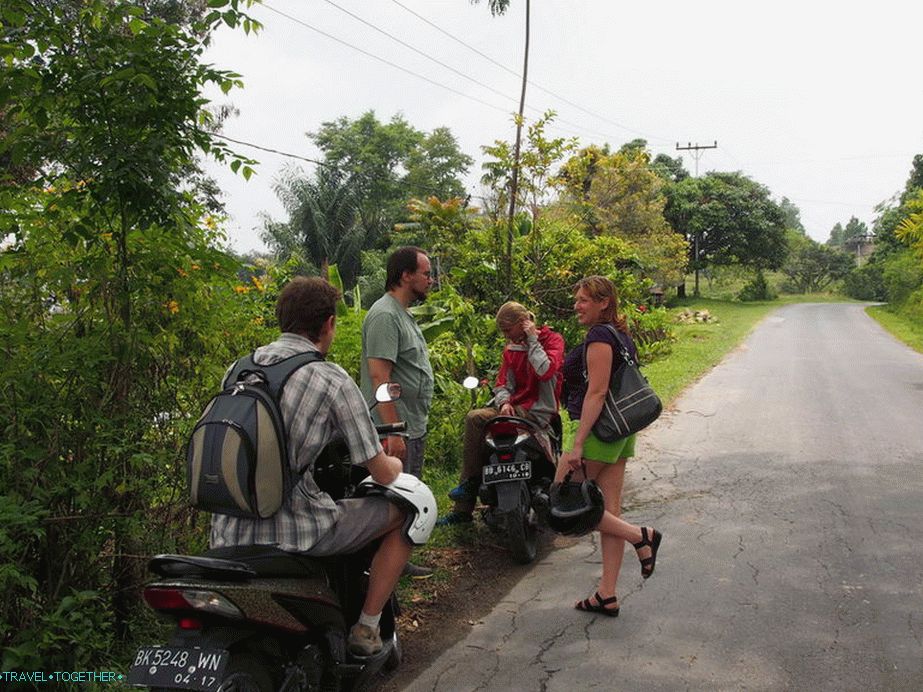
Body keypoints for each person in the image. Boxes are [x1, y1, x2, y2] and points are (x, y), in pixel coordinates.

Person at [210, 276, 410, 657]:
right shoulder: (329, 378)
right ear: (330, 324)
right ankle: (366, 628)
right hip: (300, 527)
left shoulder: (237, 369)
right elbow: (380, 471)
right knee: (406, 512)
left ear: (282, 318)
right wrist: (397, 463)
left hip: (228, 527)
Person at [556, 275, 663, 617]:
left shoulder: (600, 336)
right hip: (620, 430)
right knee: (608, 512)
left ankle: (640, 536)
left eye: (584, 299)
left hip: (598, 432)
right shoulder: (620, 335)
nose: (577, 305)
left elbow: (597, 392)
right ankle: (607, 594)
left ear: (604, 303)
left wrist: (577, 443)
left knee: (560, 503)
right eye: (577, 299)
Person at [437, 301, 565, 526]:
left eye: (508, 330)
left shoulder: (552, 341)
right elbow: (503, 383)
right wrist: (504, 402)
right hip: (514, 410)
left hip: (538, 413)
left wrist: (532, 339)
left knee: (478, 419)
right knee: (475, 418)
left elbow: (545, 370)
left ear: (523, 323)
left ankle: (471, 488)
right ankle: (468, 495)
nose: (506, 336)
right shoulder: (511, 347)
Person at [361, 246, 435, 576]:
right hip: (394, 427)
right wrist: (392, 431)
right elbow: (380, 375)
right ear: (405, 275)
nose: (430, 280)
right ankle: (383, 564)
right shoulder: (384, 315)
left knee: (406, 494)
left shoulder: (402, 313)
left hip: (412, 422)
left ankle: (397, 560)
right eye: (426, 273)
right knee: (395, 497)